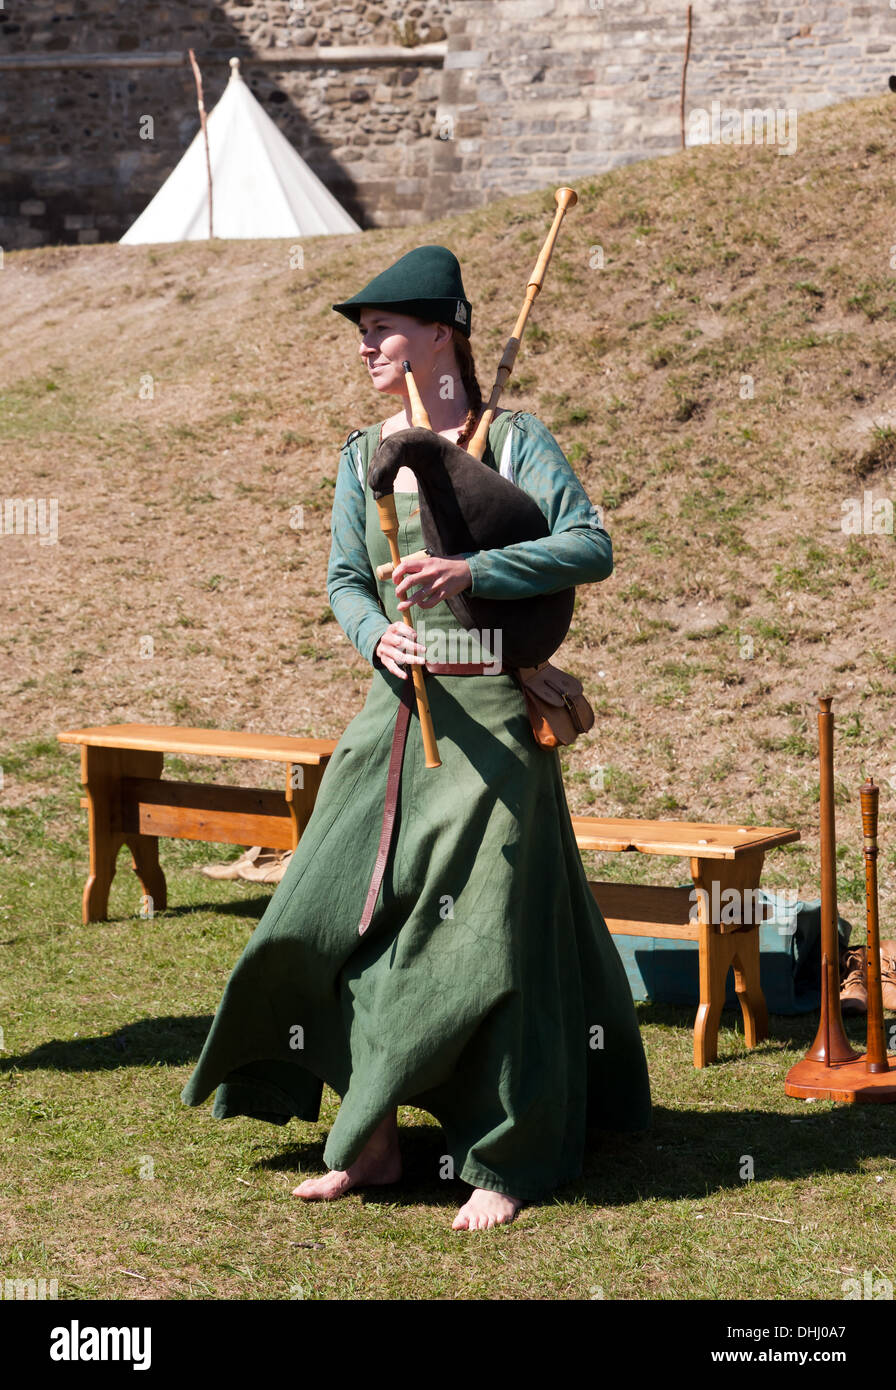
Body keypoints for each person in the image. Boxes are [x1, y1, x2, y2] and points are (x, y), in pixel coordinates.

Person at [181, 244, 651, 1231]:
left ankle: (507, 1157)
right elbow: (344, 580)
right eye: (361, 332)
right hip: (391, 718)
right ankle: (374, 1141)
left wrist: (472, 575)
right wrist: (374, 632)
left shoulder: (511, 441)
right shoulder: (361, 454)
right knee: (338, 915)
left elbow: (589, 547)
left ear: (443, 332)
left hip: (491, 725)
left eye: (384, 327)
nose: (368, 344)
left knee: (490, 941)